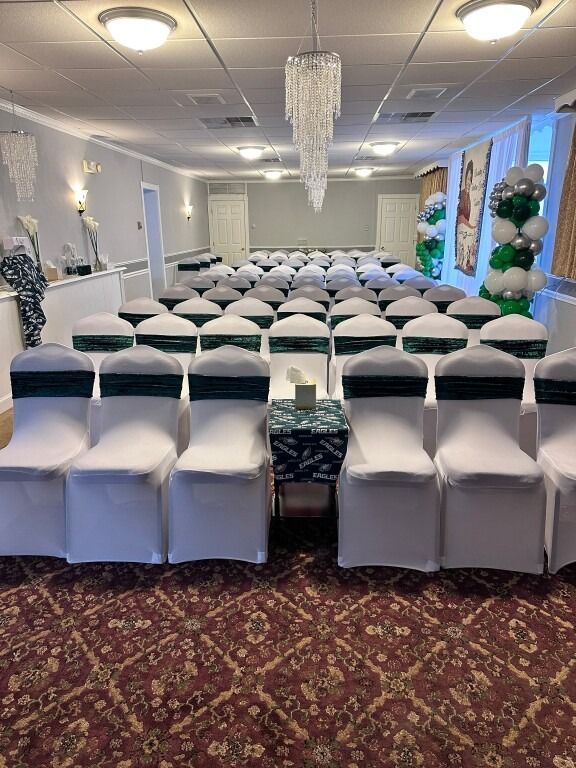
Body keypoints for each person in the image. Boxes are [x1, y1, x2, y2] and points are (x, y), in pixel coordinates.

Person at [457, 160, 474, 229]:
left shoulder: (470, 196)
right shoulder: (461, 194)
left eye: (471, 180)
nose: (469, 182)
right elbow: (460, 216)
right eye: (468, 179)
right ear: (465, 178)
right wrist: (471, 227)